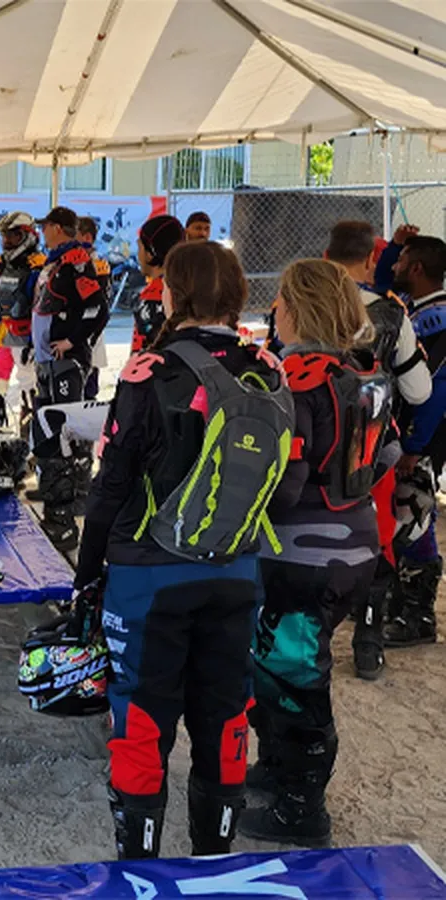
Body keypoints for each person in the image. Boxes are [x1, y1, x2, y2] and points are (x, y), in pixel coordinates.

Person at [75, 240, 286, 858]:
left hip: (150, 577)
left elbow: (110, 485)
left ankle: (140, 868)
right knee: (225, 717)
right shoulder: (269, 367)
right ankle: (212, 865)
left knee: (142, 719)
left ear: (175, 291)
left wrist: (88, 578)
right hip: (239, 567)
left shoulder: (151, 369)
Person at [241, 259, 380, 848]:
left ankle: (302, 809)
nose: (273, 312)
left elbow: (287, 482)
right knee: (277, 670)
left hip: (302, 557)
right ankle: (277, 770)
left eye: (279, 302)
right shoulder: (364, 375)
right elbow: (391, 454)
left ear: (296, 308)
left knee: (295, 680)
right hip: (358, 547)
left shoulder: (293, 378)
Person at [325, 220, 432, 679]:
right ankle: (369, 641)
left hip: (309, 444)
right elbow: (420, 390)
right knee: (378, 541)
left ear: (326, 255)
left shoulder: (298, 304)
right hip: (371, 447)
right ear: (371, 259)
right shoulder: (392, 314)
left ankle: (301, 640)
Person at [31, 206, 108, 550]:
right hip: (48, 360)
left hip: (68, 361)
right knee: (48, 426)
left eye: (45, 227)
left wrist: (73, 341)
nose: (41, 232)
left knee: (66, 428)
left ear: (58, 228)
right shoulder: (54, 261)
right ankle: (53, 497)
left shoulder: (76, 260)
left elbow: (98, 309)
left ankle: (69, 508)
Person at [383, 235, 446, 647]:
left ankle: (418, 614)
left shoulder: (437, 320)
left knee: (413, 513)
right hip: (413, 436)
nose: (395, 266)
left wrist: (413, 445)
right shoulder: (420, 311)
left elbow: (435, 388)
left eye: (401, 259)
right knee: (400, 514)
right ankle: (397, 598)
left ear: (418, 268)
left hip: (423, 437)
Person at [0, 211, 45, 439]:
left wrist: (36, 342)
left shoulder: (40, 267)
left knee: (29, 387)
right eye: (5, 237)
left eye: (12, 237)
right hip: (0, 334)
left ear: (27, 236)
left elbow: (41, 307)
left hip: (26, 335)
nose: (7, 242)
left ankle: (28, 438)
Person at [131, 215, 185, 353]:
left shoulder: (153, 296)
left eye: (140, 247)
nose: (138, 254)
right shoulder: (191, 285)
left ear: (150, 253)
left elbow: (143, 351)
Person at [77, 216, 110, 399]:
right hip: (70, 335)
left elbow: (101, 306)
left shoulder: (99, 266)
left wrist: (90, 335)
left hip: (91, 334)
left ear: (87, 237)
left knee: (88, 391)